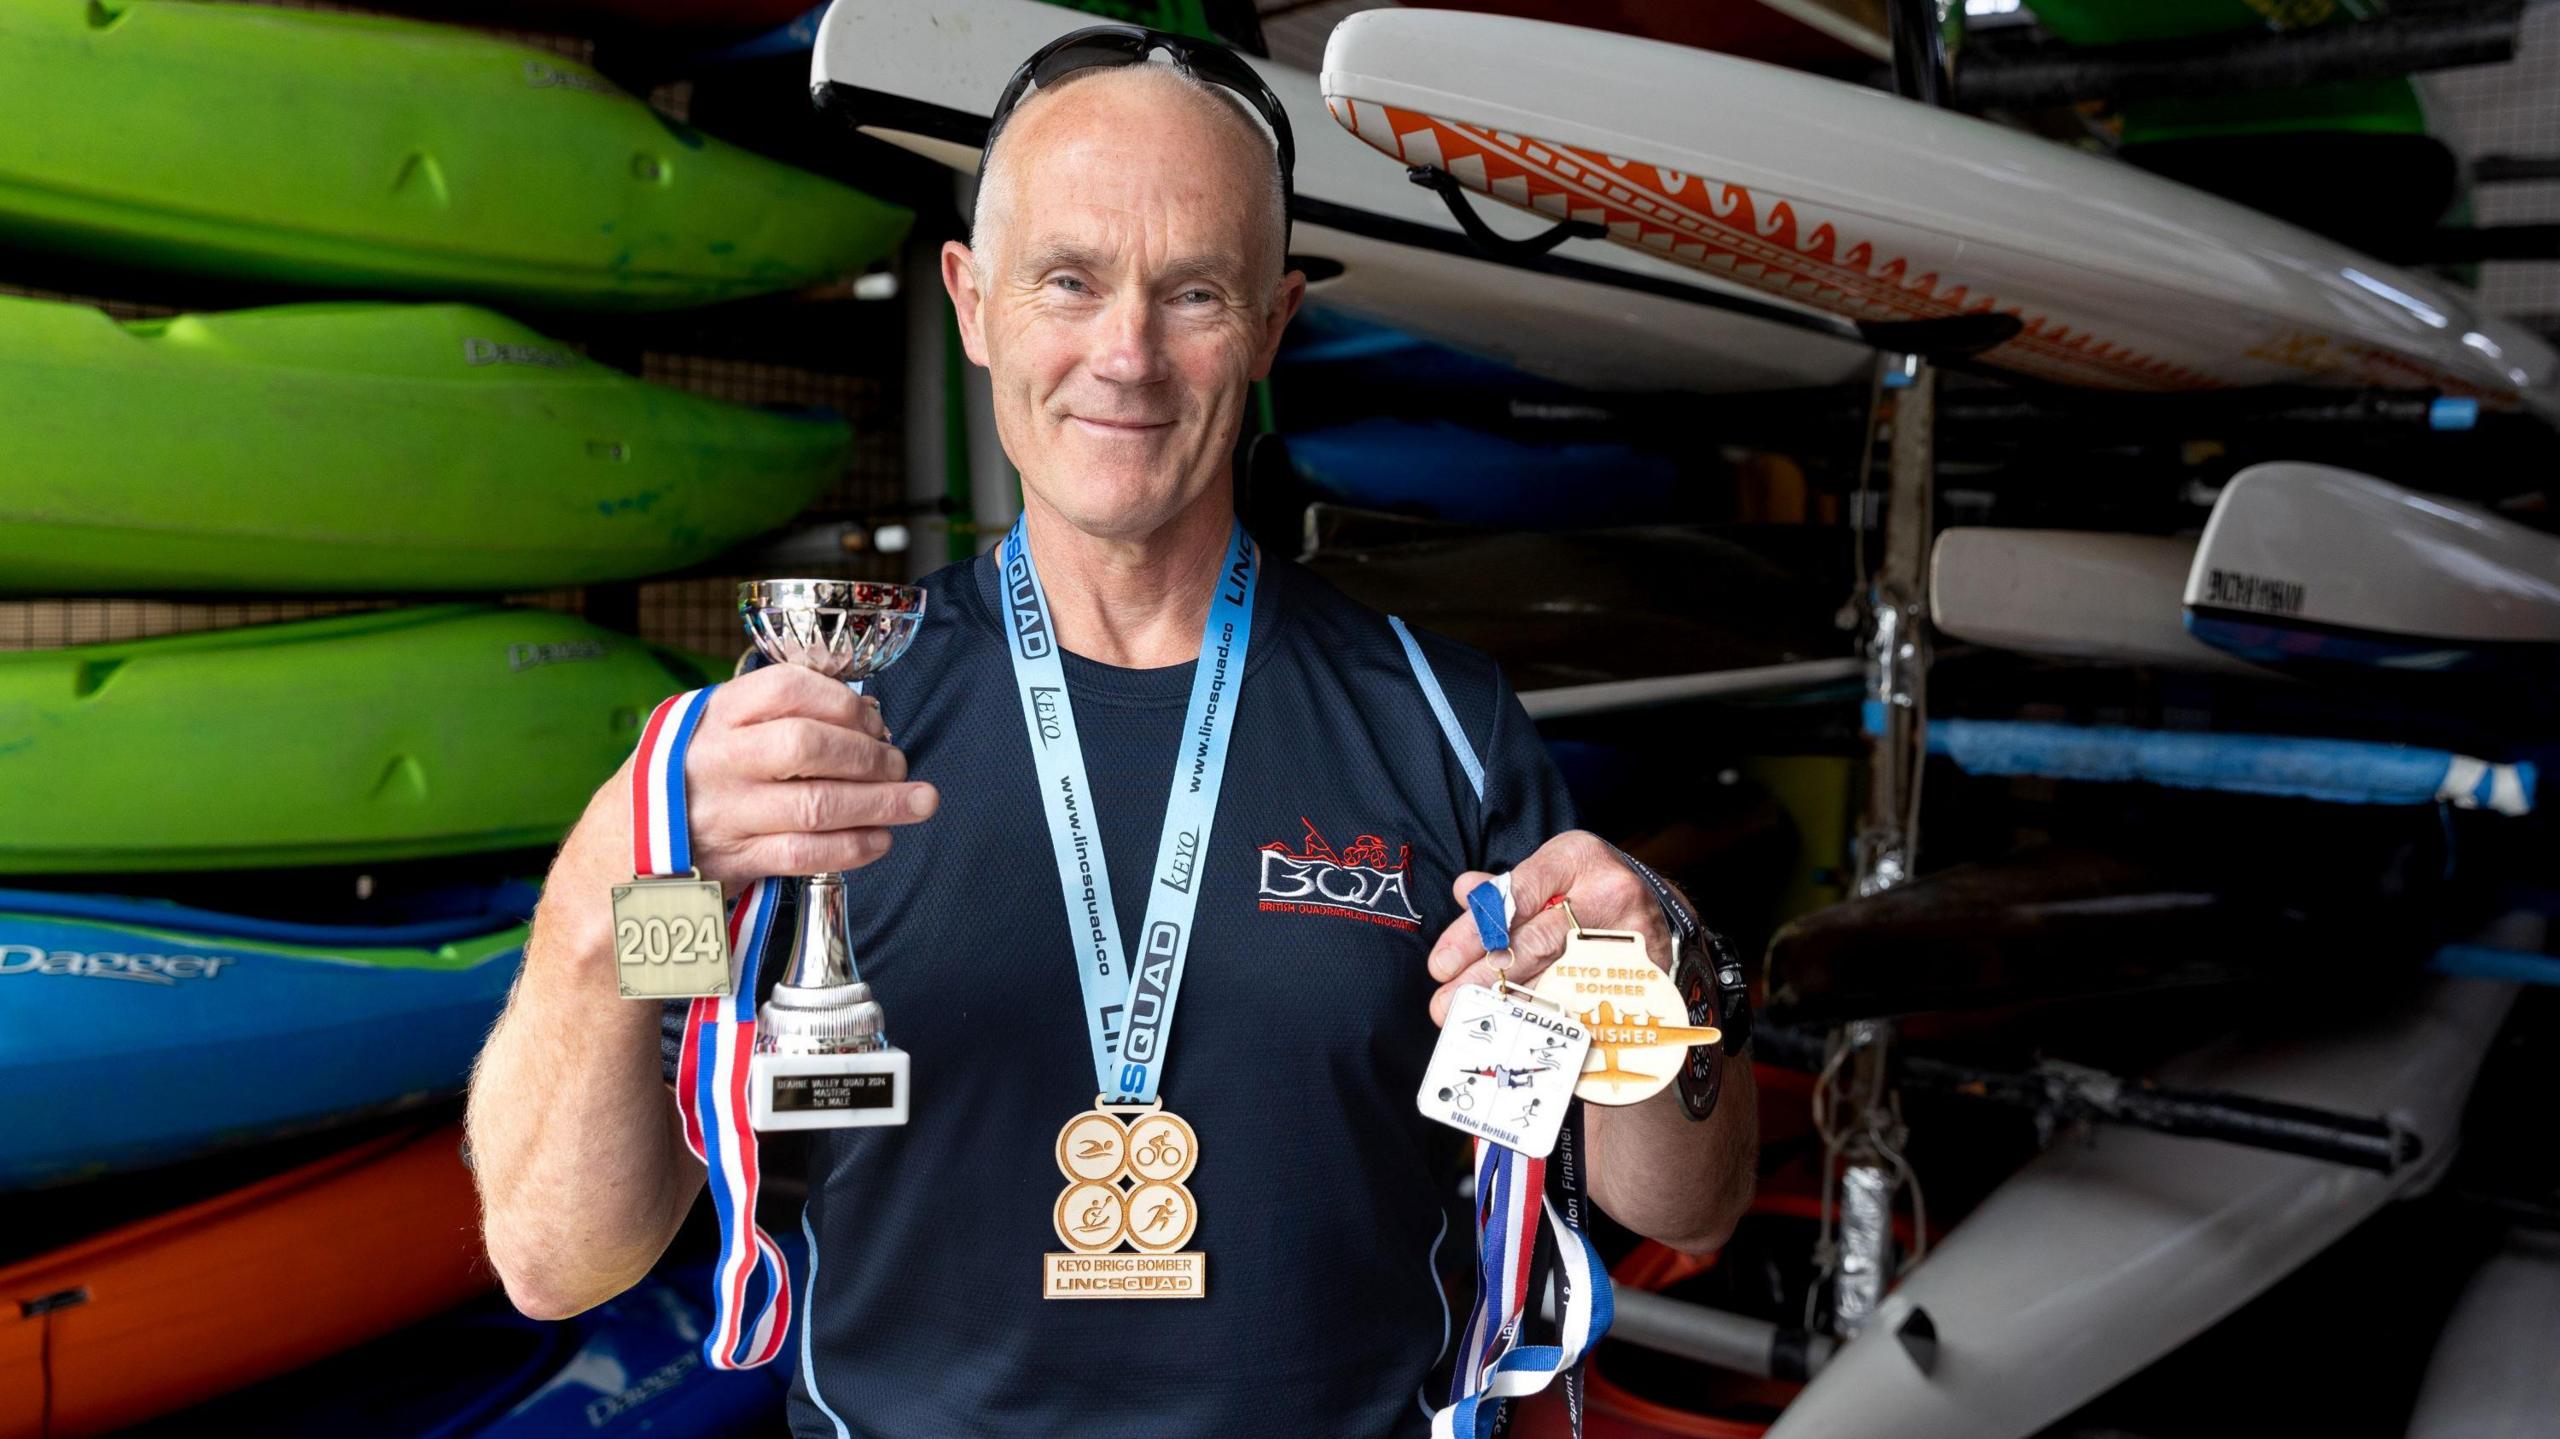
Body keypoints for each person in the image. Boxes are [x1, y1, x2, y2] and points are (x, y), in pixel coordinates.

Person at [466, 26, 1754, 1438]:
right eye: (1067, 281)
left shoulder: (1439, 725)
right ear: (972, 300)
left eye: (1193, 292)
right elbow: (564, 1257)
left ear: (1273, 327)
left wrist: (1662, 985)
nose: (1125, 356)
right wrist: (613, 891)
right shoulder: (808, 737)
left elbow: (1681, 1199)